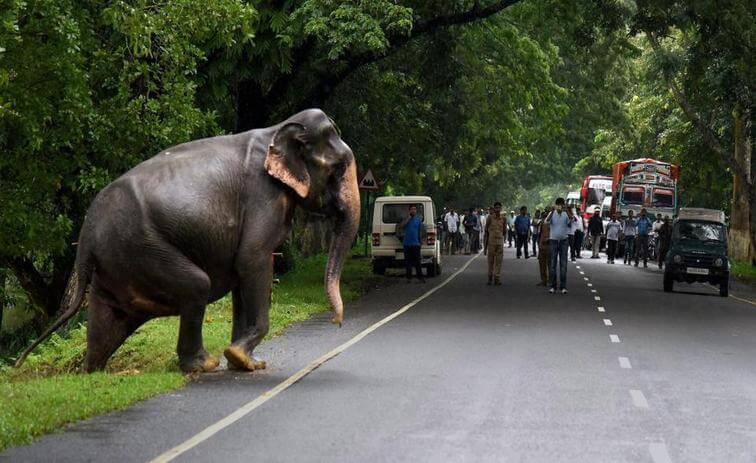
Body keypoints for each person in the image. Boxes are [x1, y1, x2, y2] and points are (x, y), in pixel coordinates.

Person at [546, 198, 570, 294]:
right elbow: (546, 221)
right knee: (552, 264)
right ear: (556, 205)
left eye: (561, 205)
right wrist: (552, 211)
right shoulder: (552, 214)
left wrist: (567, 210)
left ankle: (563, 286)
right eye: (558, 205)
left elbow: (571, 221)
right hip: (553, 240)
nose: (560, 206)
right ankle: (553, 286)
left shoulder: (565, 214)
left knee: (563, 264)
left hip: (564, 240)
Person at [396, 204, 425, 283]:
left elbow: (421, 231)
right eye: (412, 209)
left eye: (414, 209)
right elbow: (401, 226)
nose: (413, 211)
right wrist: (408, 218)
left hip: (416, 244)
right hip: (407, 243)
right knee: (408, 262)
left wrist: (421, 242)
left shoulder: (418, 220)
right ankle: (409, 278)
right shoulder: (405, 219)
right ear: (409, 211)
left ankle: (420, 278)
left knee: (417, 262)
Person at [484, 202, 506, 285]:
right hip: (491, 243)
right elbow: (486, 231)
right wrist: (485, 247)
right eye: (496, 208)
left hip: (500, 243)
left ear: (501, 209)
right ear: (494, 208)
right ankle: (490, 277)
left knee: (499, 261)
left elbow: (504, 231)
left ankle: (497, 278)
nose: (497, 209)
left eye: (499, 208)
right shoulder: (490, 218)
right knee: (491, 261)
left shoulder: (503, 219)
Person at [537, 214, 551, 286]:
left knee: (550, 264)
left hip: (549, 246)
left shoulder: (551, 224)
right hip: (541, 246)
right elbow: (539, 235)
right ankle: (544, 280)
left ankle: (550, 280)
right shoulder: (541, 224)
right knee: (542, 264)